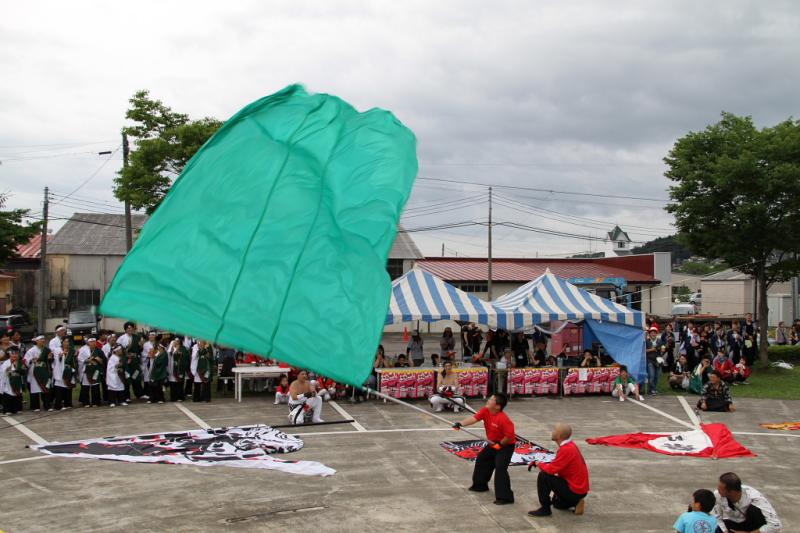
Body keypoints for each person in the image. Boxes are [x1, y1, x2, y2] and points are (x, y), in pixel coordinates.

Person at [452, 393, 516, 505]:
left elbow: (509, 436)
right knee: (482, 459)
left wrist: (500, 445)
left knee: (500, 468)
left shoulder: (504, 419)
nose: (488, 400)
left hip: (505, 446)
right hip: (493, 444)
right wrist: (460, 424)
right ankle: (480, 486)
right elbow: (474, 418)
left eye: (491, 399)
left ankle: (505, 497)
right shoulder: (485, 411)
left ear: (497, 406)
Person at [527, 423, 589, 517]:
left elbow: (551, 470)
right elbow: (556, 465)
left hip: (575, 490)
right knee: (556, 504)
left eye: (554, 430)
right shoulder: (570, 445)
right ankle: (576, 502)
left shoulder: (566, 449)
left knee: (544, 476)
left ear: (559, 436)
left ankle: (545, 509)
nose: (552, 432)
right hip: (578, 489)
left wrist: (538, 463)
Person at [712, 472, 782, 533]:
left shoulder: (754, 497)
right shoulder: (717, 495)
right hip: (734, 523)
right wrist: (725, 531)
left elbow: (776, 525)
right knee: (714, 528)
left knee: (753, 510)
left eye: (720, 488)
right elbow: (717, 517)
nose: (717, 490)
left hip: (752, 525)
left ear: (731, 492)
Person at [24, 335, 50, 412]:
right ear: (37, 341)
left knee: (46, 387)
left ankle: (47, 405)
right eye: (41, 339)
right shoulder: (31, 351)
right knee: (35, 389)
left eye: (43, 339)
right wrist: (31, 360)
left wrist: (50, 358)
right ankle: (35, 406)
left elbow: (49, 360)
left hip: (44, 370)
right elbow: (25, 360)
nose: (43, 341)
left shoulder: (46, 350)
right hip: (35, 371)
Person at [77, 338, 103, 407]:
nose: (93, 343)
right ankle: (86, 402)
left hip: (95, 370)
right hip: (86, 370)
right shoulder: (83, 349)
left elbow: (103, 359)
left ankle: (96, 402)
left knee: (95, 385)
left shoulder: (98, 350)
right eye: (91, 342)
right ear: (88, 343)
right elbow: (79, 359)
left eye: (94, 341)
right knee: (86, 386)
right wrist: (87, 360)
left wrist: (100, 360)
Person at [1, 346, 25, 415]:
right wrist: (12, 365)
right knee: (8, 394)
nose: (15, 355)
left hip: (17, 380)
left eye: (16, 354)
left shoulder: (20, 362)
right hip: (9, 381)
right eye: (13, 354)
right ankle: (7, 410)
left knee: (17, 394)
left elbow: (23, 371)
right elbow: (4, 371)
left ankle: (17, 409)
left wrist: (20, 368)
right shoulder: (6, 362)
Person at [645, 326, 661, 395]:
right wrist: (652, 349)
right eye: (652, 333)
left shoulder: (659, 341)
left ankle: (654, 389)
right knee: (651, 375)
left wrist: (663, 350)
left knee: (657, 376)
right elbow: (644, 351)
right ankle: (652, 390)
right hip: (650, 360)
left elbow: (662, 349)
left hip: (658, 361)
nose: (653, 334)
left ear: (656, 334)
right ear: (649, 334)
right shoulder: (646, 341)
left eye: (654, 333)